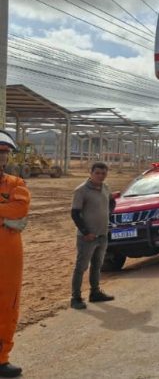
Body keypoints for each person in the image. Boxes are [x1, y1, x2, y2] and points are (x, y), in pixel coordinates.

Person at [0, 130, 31, 378]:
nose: (1, 158)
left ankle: (1, 358)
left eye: (4, 154)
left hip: (8, 255)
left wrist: (8, 212)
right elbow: (9, 210)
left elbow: (19, 208)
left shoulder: (16, 184)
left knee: (7, 305)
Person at [70, 162, 116, 309]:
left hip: (102, 235)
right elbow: (75, 213)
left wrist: (108, 214)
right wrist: (86, 232)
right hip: (87, 237)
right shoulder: (81, 190)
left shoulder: (106, 187)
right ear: (90, 173)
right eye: (97, 173)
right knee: (81, 267)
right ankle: (76, 298)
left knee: (97, 266)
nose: (100, 176)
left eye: (103, 173)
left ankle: (95, 293)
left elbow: (111, 201)